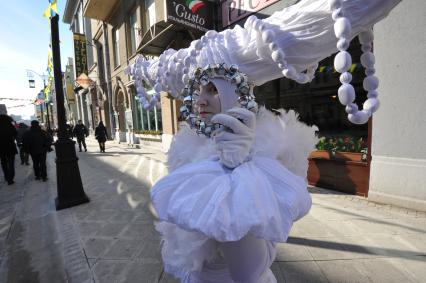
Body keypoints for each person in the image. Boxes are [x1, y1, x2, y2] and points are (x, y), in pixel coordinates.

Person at [150, 65, 318, 282]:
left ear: (239, 94)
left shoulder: (268, 151)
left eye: (213, 90)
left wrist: (236, 173)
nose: (201, 100)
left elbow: (248, 273)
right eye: (199, 91)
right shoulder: (189, 146)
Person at [0, 114, 17, 185]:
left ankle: (6, 176)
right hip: (10, 146)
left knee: (3, 163)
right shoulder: (10, 126)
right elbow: (15, 133)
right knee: (11, 163)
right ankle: (11, 178)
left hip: (0, 148)